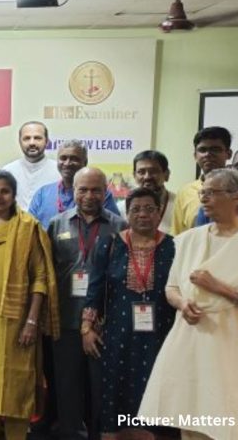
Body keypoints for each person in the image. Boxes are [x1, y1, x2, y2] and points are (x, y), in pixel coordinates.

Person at [139, 168, 238, 440]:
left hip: (235, 352)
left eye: (211, 193)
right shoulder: (188, 240)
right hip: (191, 347)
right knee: (191, 423)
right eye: (203, 192)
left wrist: (221, 288)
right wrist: (183, 304)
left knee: (235, 428)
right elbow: (172, 288)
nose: (204, 198)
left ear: (236, 197)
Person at [0, 170, 59, 440]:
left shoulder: (28, 228)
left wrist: (32, 321)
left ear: (14, 195)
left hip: (19, 323)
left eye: (5, 191)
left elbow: (39, 278)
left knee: (17, 390)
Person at [83, 187, 176, 440]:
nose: (142, 214)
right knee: (115, 390)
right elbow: (94, 288)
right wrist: (87, 328)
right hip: (118, 336)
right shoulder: (111, 244)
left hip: (161, 337)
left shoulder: (174, 246)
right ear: (127, 213)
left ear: (160, 213)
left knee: (155, 390)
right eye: (136, 209)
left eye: (149, 209)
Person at [45, 167, 126, 440]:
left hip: (103, 324)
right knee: (66, 387)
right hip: (65, 320)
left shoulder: (120, 227)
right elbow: (46, 272)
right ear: (73, 191)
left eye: (96, 190)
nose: (89, 195)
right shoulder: (56, 224)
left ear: (106, 192)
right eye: (83, 189)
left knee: (100, 388)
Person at [28, 140, 120, 228]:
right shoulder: (42, 194)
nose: (67, 163)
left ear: (85, 162)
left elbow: (113, 228)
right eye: (63, 158)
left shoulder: (100, 195)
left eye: (74, 159)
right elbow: (29, 229)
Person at [171, 126, 232, 235]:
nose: (208, 154)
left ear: (228, 154)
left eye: (215, 149)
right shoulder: (185, 192)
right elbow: (177, 233)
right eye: (202, 150)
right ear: (195, 155)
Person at [1, 121, 59, 211]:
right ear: (20, 141)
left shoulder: (59, 171)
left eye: (37, 138)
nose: (32, 143)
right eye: (27, 138)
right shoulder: (7, 171)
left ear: (47, 141)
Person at [123, 150, 176, 235]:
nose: (147, 177)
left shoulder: (178, 205)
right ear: (134, 176)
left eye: (153, 171)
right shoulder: (122, 208)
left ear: (166, 174)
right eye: (141, 172)